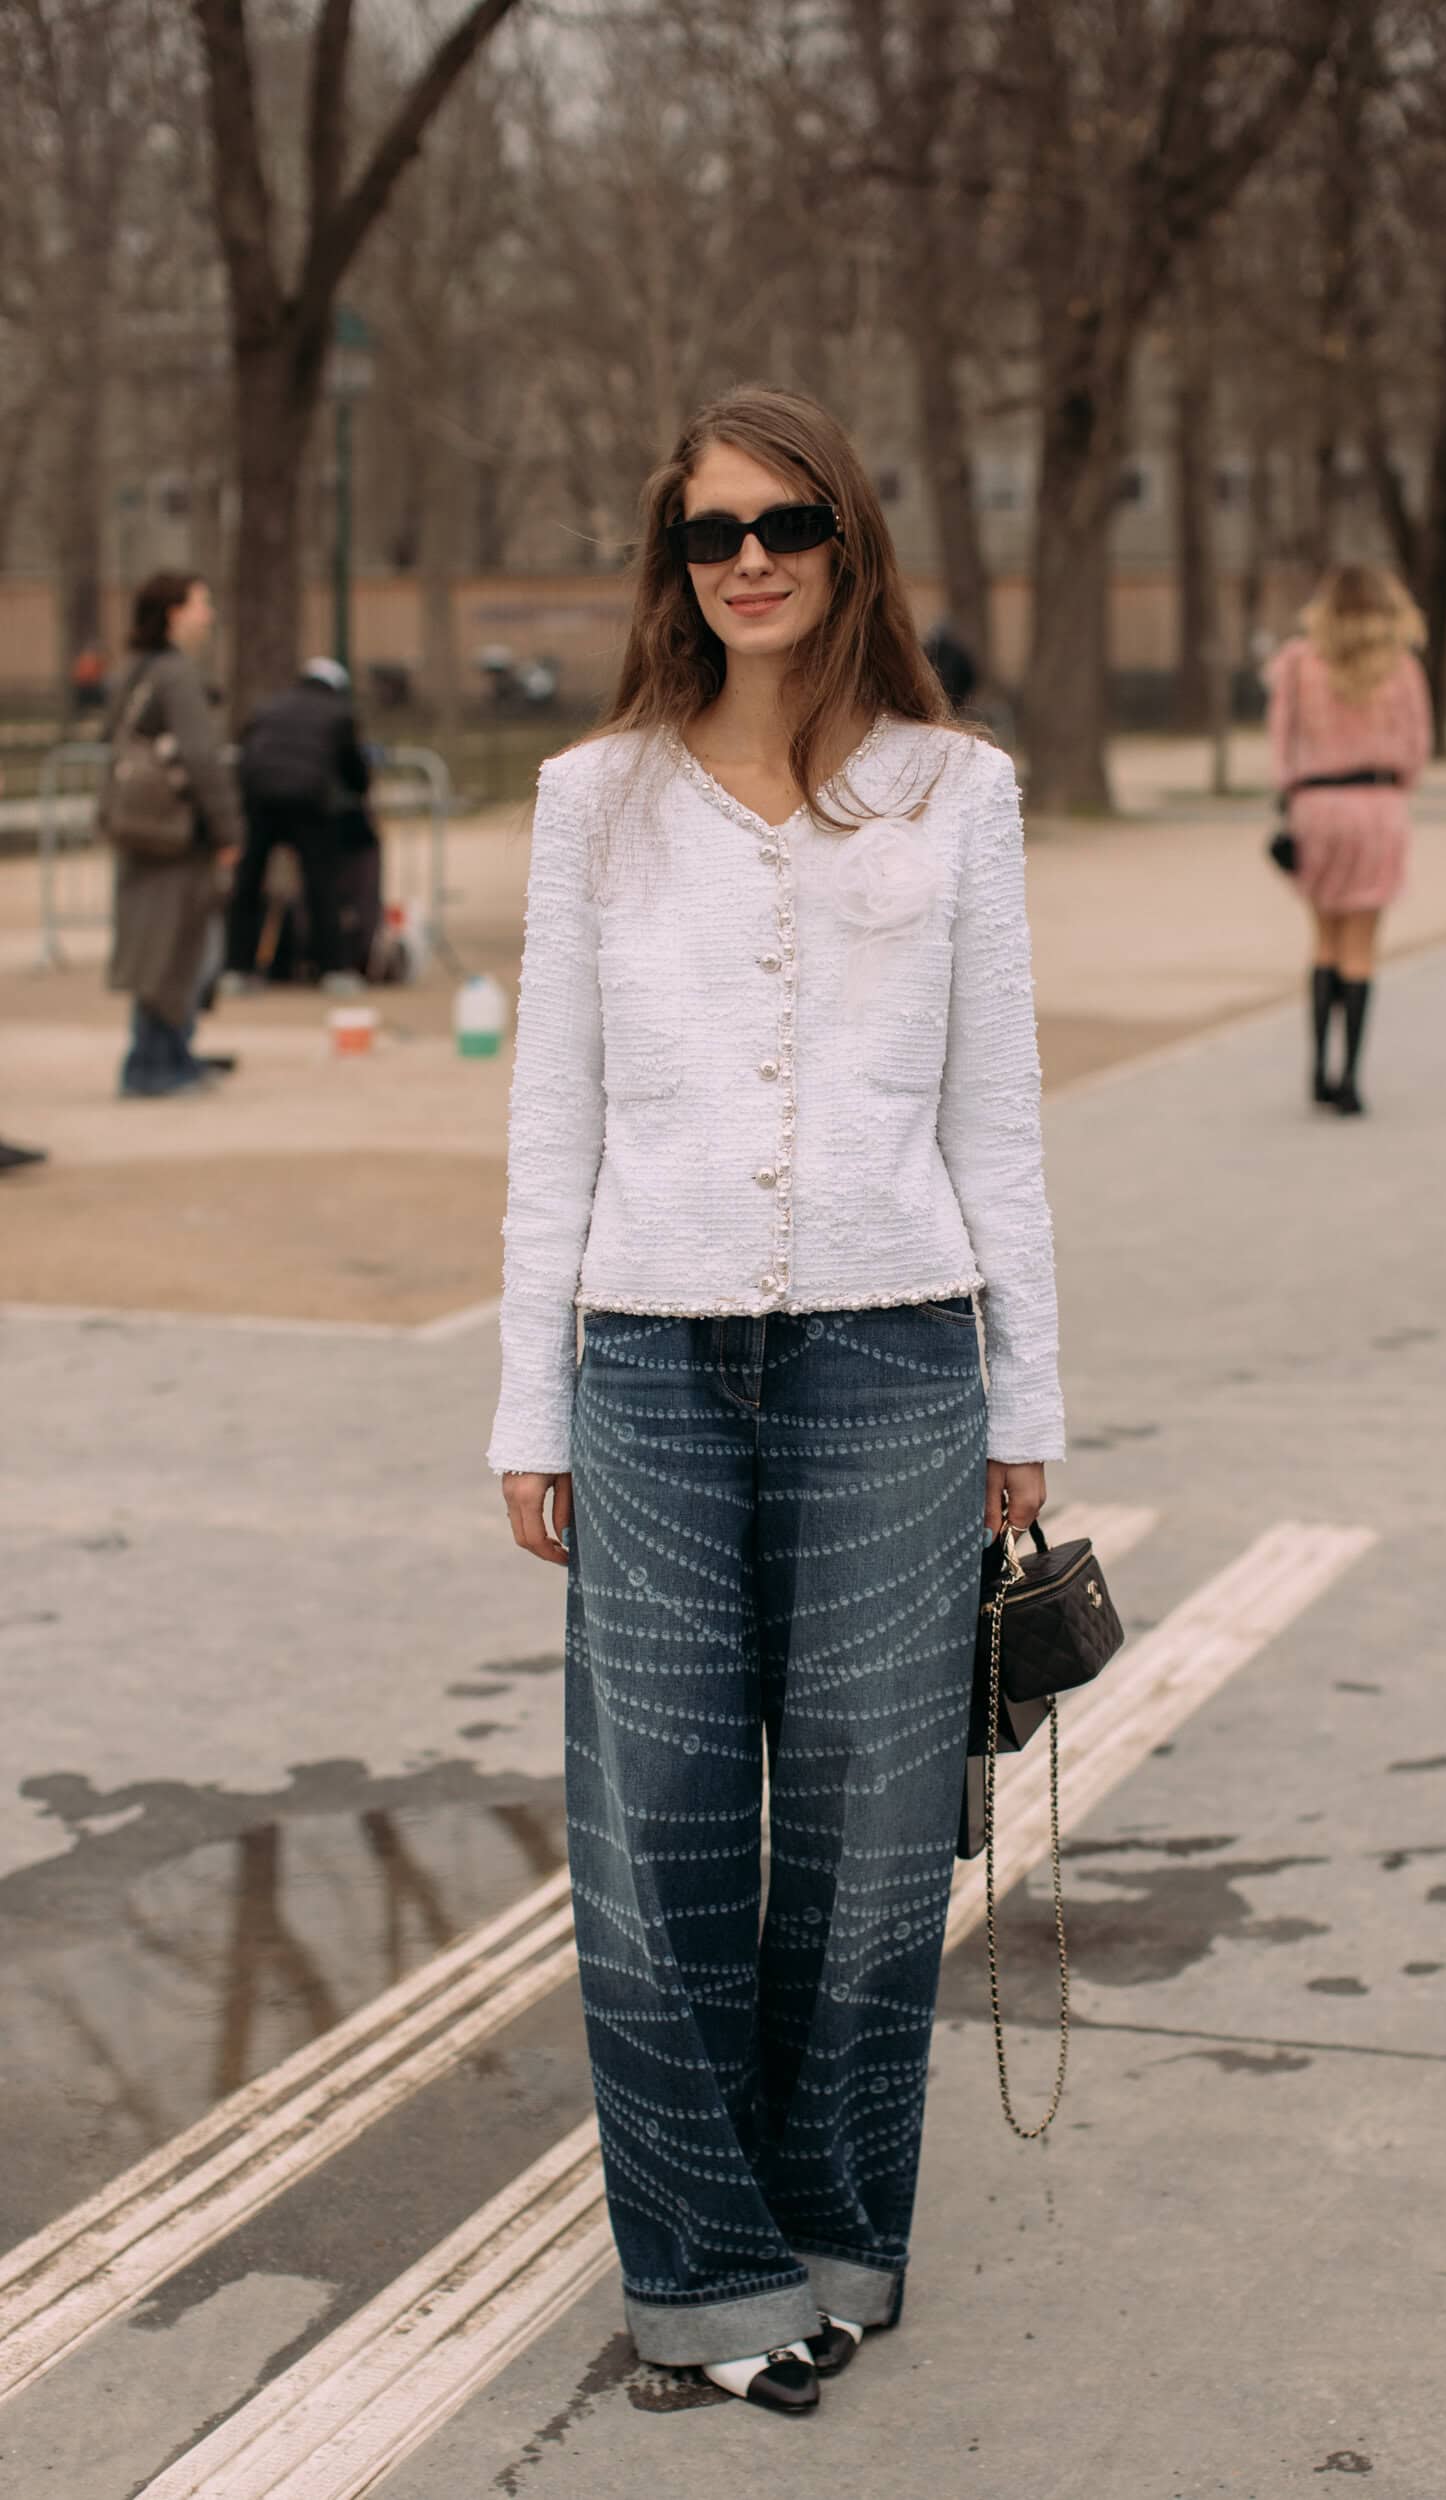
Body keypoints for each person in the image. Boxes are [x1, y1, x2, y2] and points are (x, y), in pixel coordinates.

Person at [489, 385, 1064, 2415]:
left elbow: (994, 1113)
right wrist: (526, 1409)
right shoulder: (594, 799)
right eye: (703, 533)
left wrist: (1027, 1397)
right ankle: (709, 2274)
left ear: (848, 543)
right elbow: (548, 1110)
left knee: (866, 1828)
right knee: (653, 1838)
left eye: (782, 523)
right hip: (641, 1358)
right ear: (672, 567)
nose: (742, 559)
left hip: (895, 1354)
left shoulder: (953, 790)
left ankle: (835, 2236)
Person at [1265, 566, 1432, 1118]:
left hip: (1316, 808)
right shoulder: (1402, 667)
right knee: (1361, 946)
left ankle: (1316, 1070)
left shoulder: (1296, 662)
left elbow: (1280, 742)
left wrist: (1293, 792)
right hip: (1378, 806)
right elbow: (1416, 750)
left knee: (1324, 940)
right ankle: (1351, 1080)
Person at [104, 573, 244, 1099]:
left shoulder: (135, 671)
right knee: (178, 949)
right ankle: (154, 1063)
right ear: (174, 613)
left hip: (143, 827)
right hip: (177, 833)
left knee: (160, 945)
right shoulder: (176, 676)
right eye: (201, 603)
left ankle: (168, 1054)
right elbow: (201, 759)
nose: (209, 615)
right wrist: (229, 826)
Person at [224, 657, 373, 993]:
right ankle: (332, 968)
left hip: (260, 798)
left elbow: (245, 750)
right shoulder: (338, 713)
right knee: (321, 885)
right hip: (309, 801)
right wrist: (359, 790)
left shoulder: (270, 707)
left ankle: (236, 968)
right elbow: (354, 768)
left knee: (248, 884)